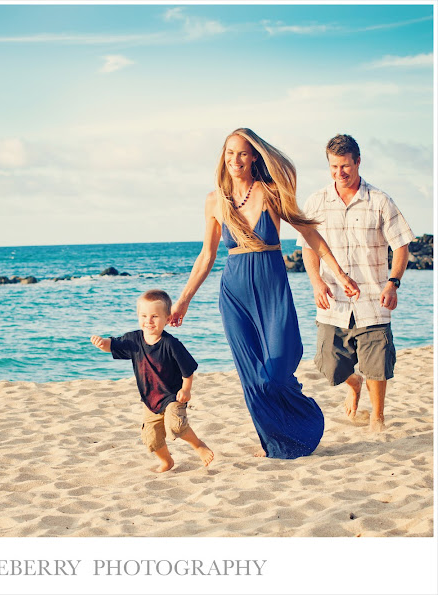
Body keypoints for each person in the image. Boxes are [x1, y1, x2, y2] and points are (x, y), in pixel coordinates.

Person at [168, 127, 360, 459]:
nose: (235, 160)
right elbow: (207, 255)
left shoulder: (272, 192)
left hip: (273, 291)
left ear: (255, 155)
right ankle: (272, 442)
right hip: (235, 295)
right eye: (229, 153)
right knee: (253, 376)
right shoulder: (215, 200)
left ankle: (305, 419)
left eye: (242, 153)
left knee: (275, 371)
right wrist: (184, 299)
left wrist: (338, 274)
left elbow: (309, 234)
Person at [299, 134, 414, 433]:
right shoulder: (317, 202)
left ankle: (377, 417)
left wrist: (393, 283)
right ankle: (353, 383)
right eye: (334, 167)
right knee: (329, 367)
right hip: (332, 301)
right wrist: (316, 283)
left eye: (346, 166)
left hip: (373, 299)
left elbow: (401, 245)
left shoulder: (380, 201)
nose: (341, 173)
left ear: (358, 161)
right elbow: (309, 247)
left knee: (377, 364)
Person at [90, 289, 214, 473]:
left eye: (155, 316)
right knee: (151, 438)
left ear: (167, 318)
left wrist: (186, 390)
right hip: (150, 400)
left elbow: (188, 370)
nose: (148, 321)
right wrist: (102, 344)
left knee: (176, 425)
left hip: (172, 395)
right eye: (144, 315)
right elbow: (113, 345)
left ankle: (198, 445)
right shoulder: (133, 340)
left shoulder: (171, 344)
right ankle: (167, 461)